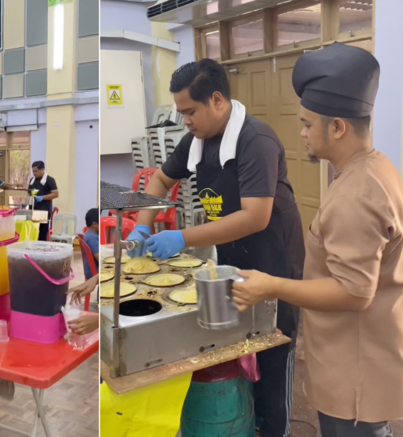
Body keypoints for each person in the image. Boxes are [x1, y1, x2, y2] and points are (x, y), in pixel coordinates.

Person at [126, 59, 304, 437]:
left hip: (272, 259)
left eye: (190, 111)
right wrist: (143, 227)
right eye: (181, 112)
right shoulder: (197, 141)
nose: (185, 121)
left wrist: (182, 238)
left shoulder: (255, 140)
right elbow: (159, 179)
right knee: (234, 345)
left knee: (272, 349)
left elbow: (255, 216)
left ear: (218, 100)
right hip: (231, 256)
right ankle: (243, 420)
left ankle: (274, 429)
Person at [232, 43, 401, 437]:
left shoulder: (356, 194)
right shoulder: (373, 167)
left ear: (338, 127)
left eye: (308, 125)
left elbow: (354, 291)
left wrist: (270, 285)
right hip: (361, 357)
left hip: (355, 375)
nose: (303, 134)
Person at [28, 161, 59, 241]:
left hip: (44, 211)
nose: (34, 173)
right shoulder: (32, 180)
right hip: (33, 210)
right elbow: (29, 191)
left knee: (42, 233)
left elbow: (55, 194)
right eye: (33, 171)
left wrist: (42, 197)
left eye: (36, 171)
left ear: (42, 169)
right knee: (33, 232)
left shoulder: (49, 180)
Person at [83, 208, 99, 279]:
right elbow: (99, 258)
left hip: (92, 270)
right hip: (94, 271)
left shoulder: (89, 234)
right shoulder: (91, 238)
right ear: (95, 224)